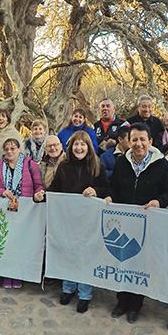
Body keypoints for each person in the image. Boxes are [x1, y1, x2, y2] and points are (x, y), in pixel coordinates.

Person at [105, 122, 168, 323]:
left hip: (147, 222)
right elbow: (113, 187)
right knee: (122, 261)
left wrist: (158, 201)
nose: (138, 143)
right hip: (123, 222)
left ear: (150, 141)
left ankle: (136, 305)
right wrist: (109, 196)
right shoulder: (122, 162)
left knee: (140, 264)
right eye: (134, 139)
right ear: (128, 141)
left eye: (142, 139)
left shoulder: (160, 164)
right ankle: (121, 301)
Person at [46, 131, 108, 313]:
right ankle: (68, 286)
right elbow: (55, 188)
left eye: (83, 144)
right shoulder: (64, 166)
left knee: (86, 254)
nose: (79, 148)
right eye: (76, 144)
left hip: (89, 220)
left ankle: (85, 292)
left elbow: (107, 188)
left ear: (88, 147)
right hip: (68, 218)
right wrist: (42, 195)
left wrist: (96, 191)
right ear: (71, 146)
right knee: (69, 251)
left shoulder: (97, 166)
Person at [0, 138, 45, 289]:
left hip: (25, 211)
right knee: (6, 241)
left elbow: (38, 185)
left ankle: (19, 273)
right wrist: (2, 192)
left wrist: (38, 193)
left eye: (13, 148)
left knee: (21, 242)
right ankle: (7, 273)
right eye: (6, 149)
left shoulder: (30, 164)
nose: (9, 151)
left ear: (19, 149)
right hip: (5, 210)